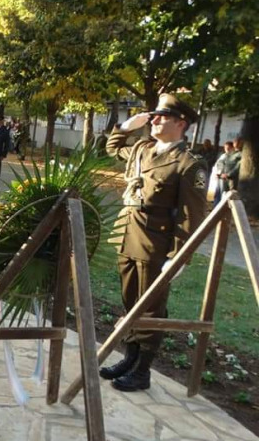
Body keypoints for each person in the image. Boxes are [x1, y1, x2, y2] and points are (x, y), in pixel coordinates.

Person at [103, 93, 207, 392]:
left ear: (181, 123)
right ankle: (130, 358)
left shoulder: (189, 164)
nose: (154, 119)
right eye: (154, 115)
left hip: (156, 246)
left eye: (162, 116)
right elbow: (113, 147)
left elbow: (192, 217)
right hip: (128, 234)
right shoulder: (143, 149)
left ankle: (143, 371)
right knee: (130, 302)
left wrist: (178, 257)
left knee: (150, 309)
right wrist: (126, 125)